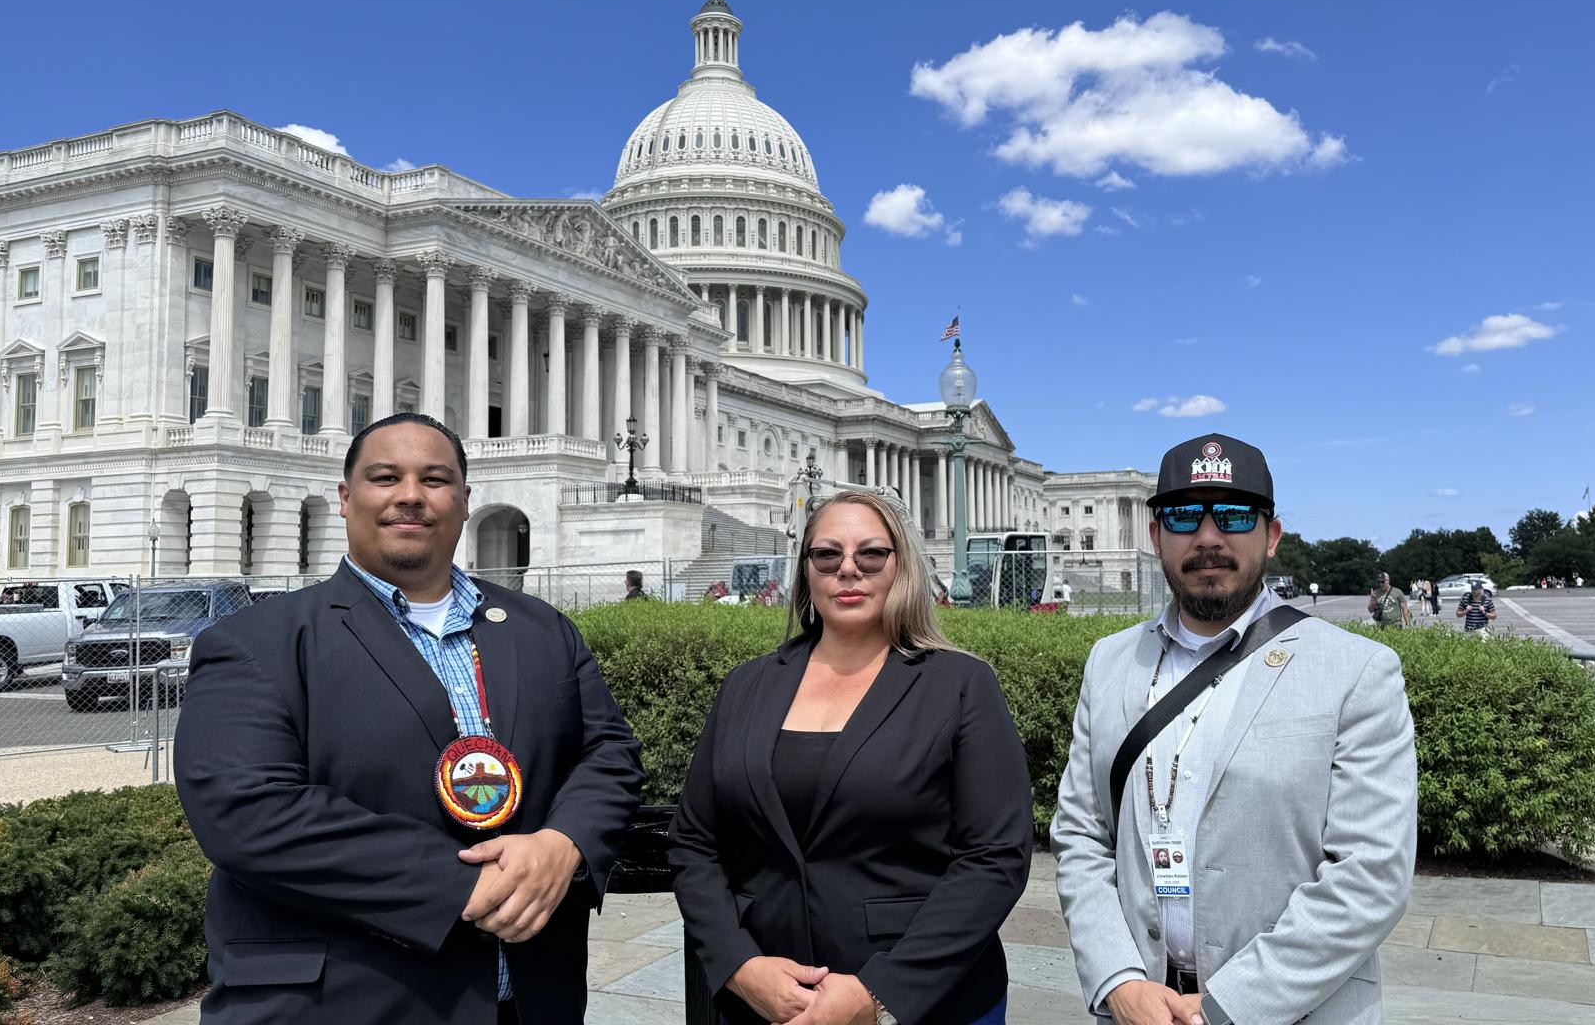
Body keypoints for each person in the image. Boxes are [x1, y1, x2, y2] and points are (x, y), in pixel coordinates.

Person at [175, 413, 645, 1024]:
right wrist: (458, 884)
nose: (410, 496)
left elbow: (608, 753)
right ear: (345, 499)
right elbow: (247, 808)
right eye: (385, 477)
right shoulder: (259, 642)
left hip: (530, 998)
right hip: (347, 1001)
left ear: (465, 500)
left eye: (435, 479)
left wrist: (564, 845)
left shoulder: (540, 629)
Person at [1052, 432, 1416, 1025]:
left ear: (1271, 537)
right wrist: (1118, 980)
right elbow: (1081, 836)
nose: (1208, 537)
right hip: (1138, 1007)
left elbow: (1370, 874)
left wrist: (1227, 1008)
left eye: (1234, 514)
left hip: (1293, 1010)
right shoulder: (1109, 662)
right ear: (1156, 537)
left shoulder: (1356, 671)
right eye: (1184, 516)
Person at [670, 490, 1033, 1025]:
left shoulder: (960, 685)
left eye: (871, 554)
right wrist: (739, 965)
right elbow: (695, 841)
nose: (848, 570)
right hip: (764, 1001)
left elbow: (995, 856)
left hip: (923, 1002)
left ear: (900, 566)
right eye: (827, 555)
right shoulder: (746, 686)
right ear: (806, 571)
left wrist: (879, 994)